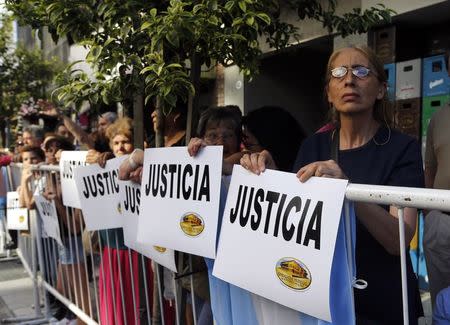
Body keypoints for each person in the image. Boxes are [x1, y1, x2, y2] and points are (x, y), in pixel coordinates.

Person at [241, 45, 424, 324]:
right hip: (324, 299)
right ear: (328, 92)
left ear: (380, 89)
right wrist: (268, 174)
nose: (349, 79)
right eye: (339, 73)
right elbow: (294, 219)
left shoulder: (403, 149)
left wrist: (345, 188)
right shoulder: (313, 146)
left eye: (362, 71)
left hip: (384, 301)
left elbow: (398, 242)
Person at [94, 117, 141, 325]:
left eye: (125, 142)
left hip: (138, 254)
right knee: (116, 306)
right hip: (112, 250)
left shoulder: (142, 169)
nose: (120, 147)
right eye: (116, 143)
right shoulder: (103, 165)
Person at [423, 47, 450, 314]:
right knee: (442, 305)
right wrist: (430, 214)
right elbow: (429, 168)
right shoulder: (438, 118)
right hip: (441, 224)